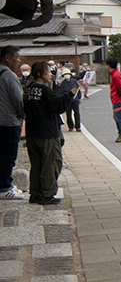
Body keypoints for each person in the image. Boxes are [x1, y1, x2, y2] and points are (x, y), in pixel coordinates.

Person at [24, 61, 82, 204]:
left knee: (36, 164)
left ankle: (35, 193)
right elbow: (58, 106)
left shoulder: (28, 89)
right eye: (48, 71)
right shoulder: (44, 90)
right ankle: (47, 194)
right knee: (51, 163)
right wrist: (74, 89)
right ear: (39, 73)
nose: (51, 74)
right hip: (47, 132)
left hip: (32, 132)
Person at [0, 46, 25, 200]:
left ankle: (5, 183)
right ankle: (5, 187)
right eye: (16, 57)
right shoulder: (8, 75)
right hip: (9, 122)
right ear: (7, 58)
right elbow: (18, 99)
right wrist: (25, 116)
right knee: (7, 156)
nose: (19, 61)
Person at [106, 57, 121, 143]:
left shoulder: (116, 75)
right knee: (117, 117)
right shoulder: (115, 74)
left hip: (118, 99)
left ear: (109, 65)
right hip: (117, 98)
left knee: (118, 117)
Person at [58, 68, 82, 132]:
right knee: (68, 113)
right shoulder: (63, 83)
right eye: (65, 74)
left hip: (75, 99)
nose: (67, 75)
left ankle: (78, 126)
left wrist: (79, 98)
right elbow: (61, 92)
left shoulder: (74, 81)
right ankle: (70, 126)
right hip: (67, 100)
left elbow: (78, 89)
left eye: (68, 74)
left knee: (76, 113)